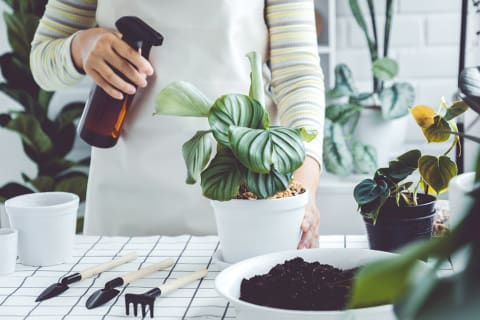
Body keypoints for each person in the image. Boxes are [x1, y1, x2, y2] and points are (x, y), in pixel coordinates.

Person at [30, 0, 325, 249]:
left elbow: (298, 77)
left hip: (243, 199)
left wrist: (303, 187)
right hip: (124, 202)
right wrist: (80, 48)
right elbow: (43, 62)